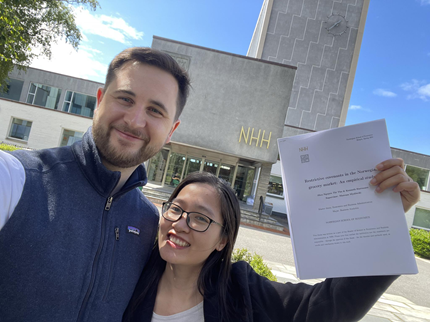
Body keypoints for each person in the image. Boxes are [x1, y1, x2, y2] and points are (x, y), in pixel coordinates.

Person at [0, 48, 191, 321]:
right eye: (125, 98)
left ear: (171, 130)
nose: (134, 120)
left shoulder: (150, 224)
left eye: (155, 110)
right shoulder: (18, 179)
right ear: (99, 100)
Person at [123, 159, 420, 322]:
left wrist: (385, 220)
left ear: (223, 240)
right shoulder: (128, 274)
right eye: (175, 208)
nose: (180, 224)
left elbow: (328, 307)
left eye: (200, 218)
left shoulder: (243, 291)